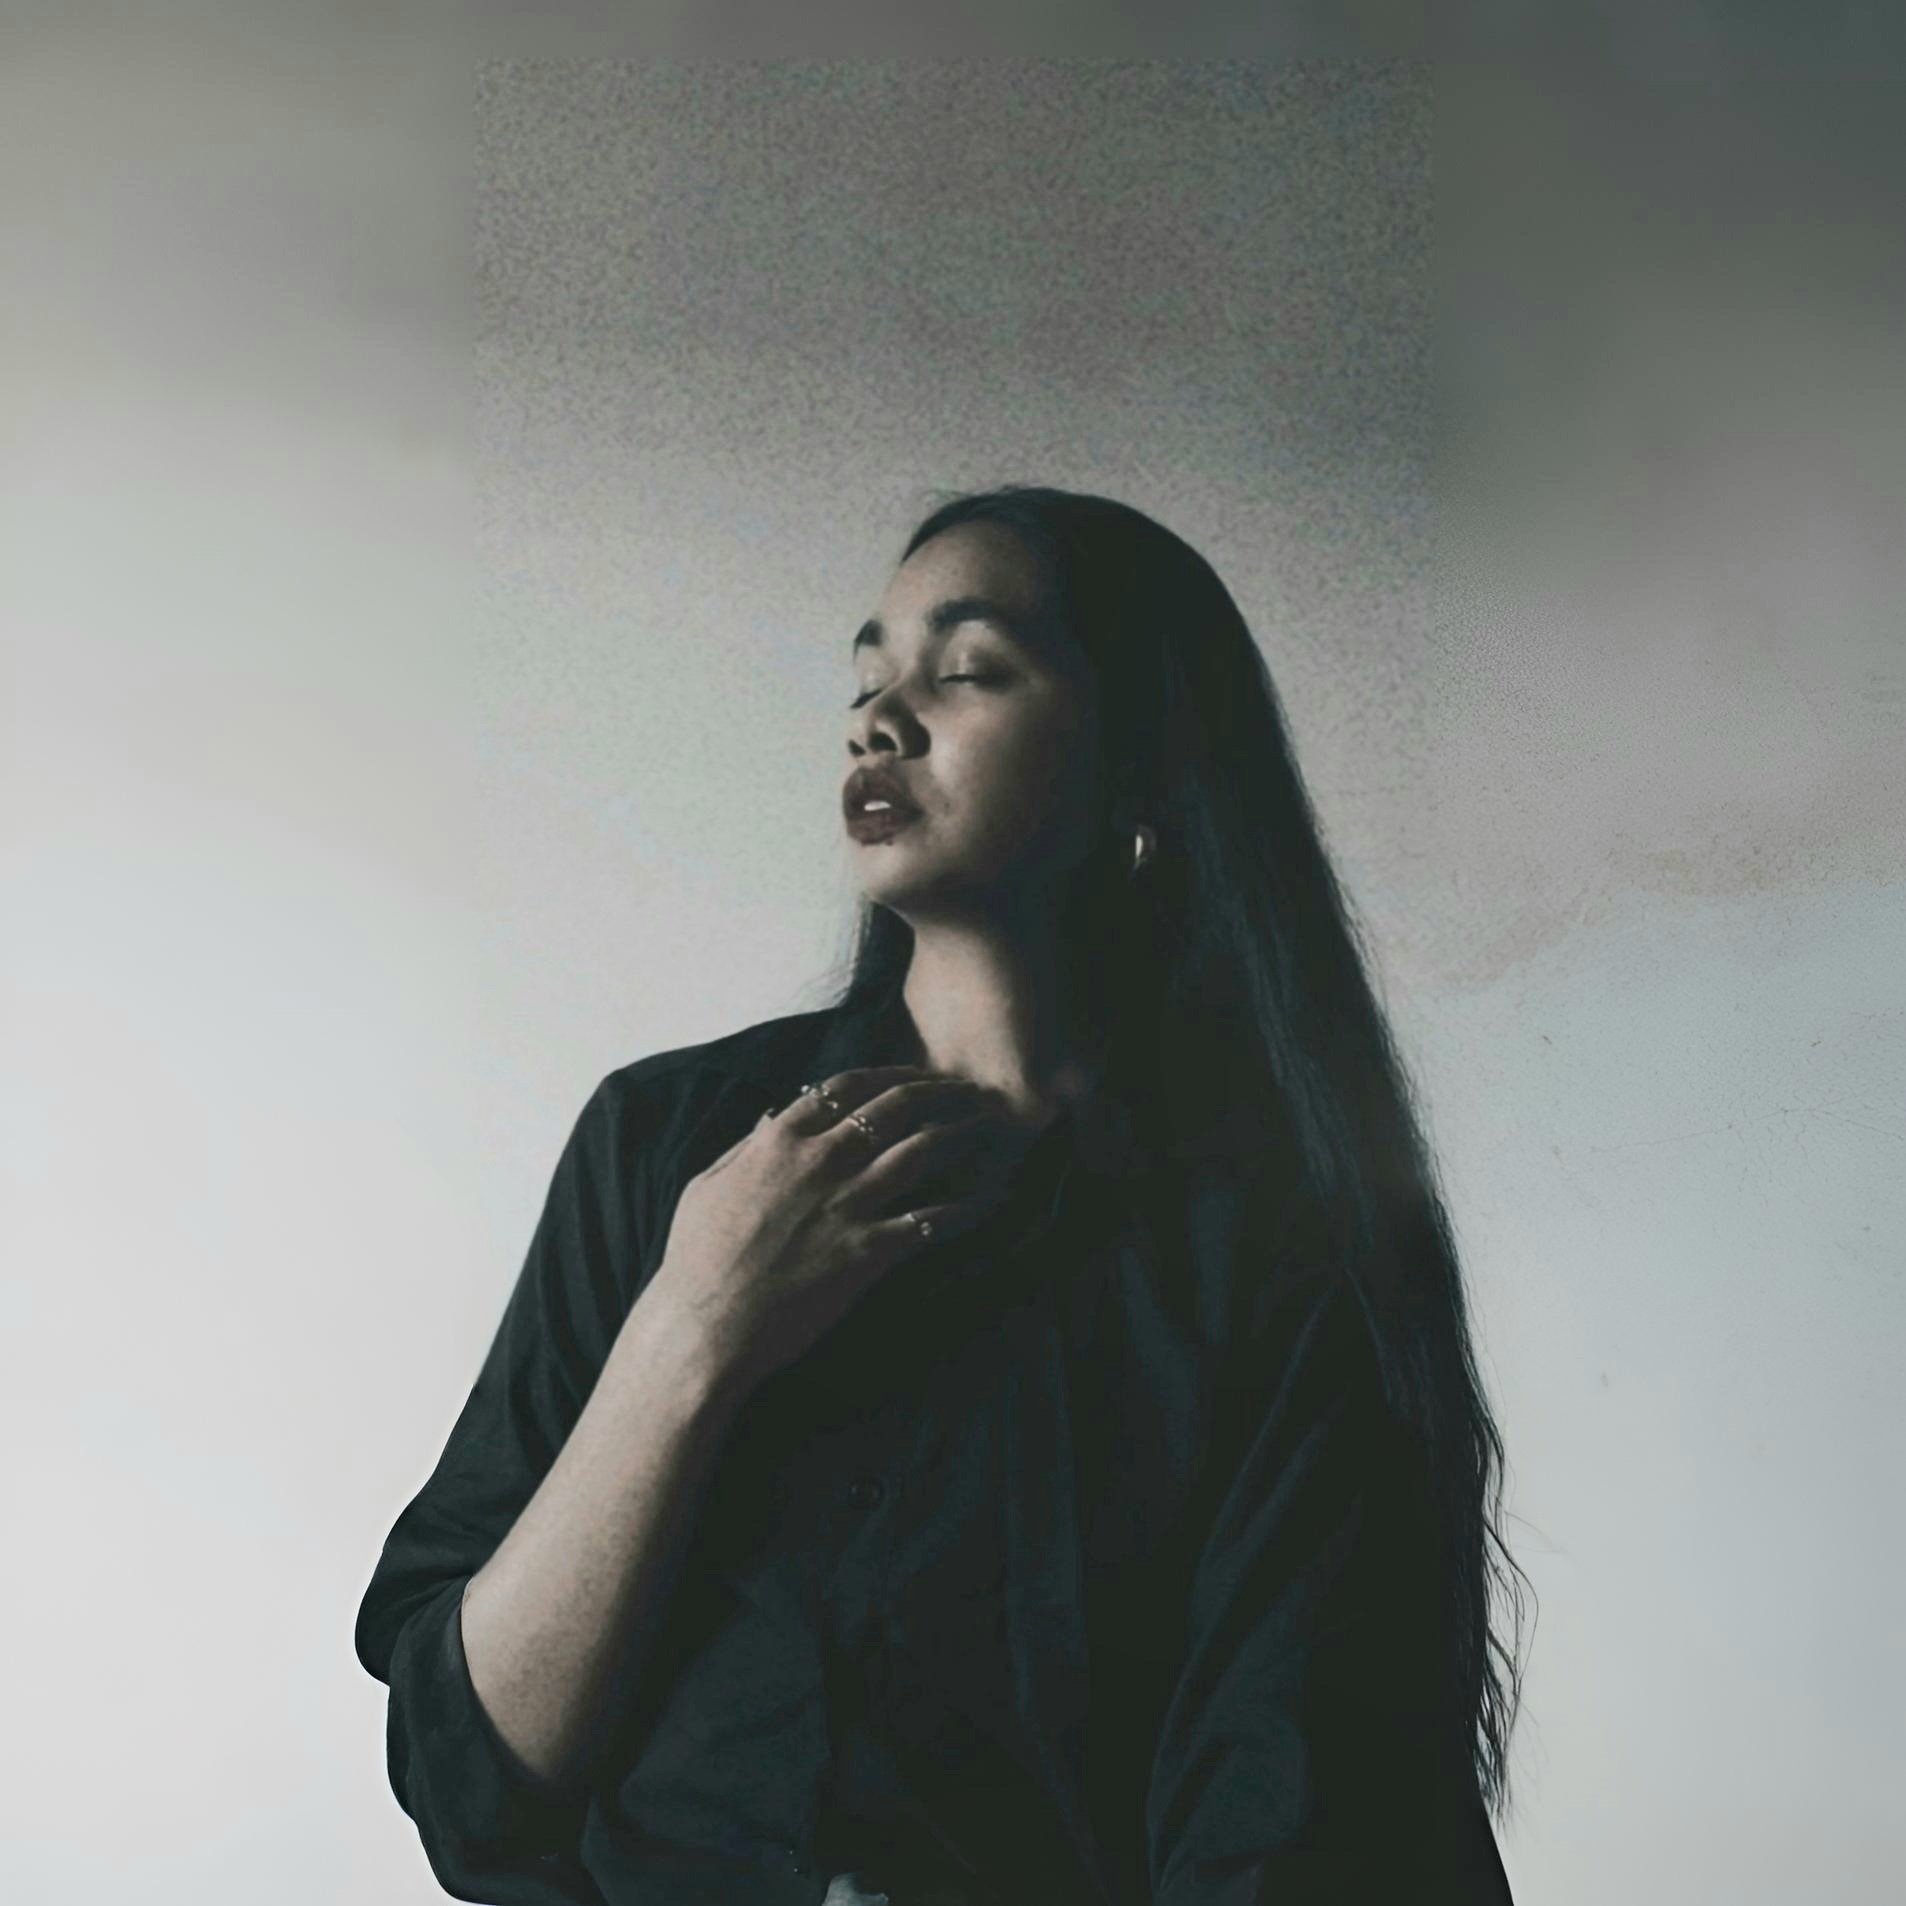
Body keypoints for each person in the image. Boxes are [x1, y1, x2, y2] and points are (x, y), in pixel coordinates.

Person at [353, 485, 1528, 1904]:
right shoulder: (662, 1146)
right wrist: (693, 1325)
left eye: (964, 670)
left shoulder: (1292, 1242)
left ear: (1144, 763)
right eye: (866, 680)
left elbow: (1292, 1827)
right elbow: (469, 1779)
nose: (878, 721)